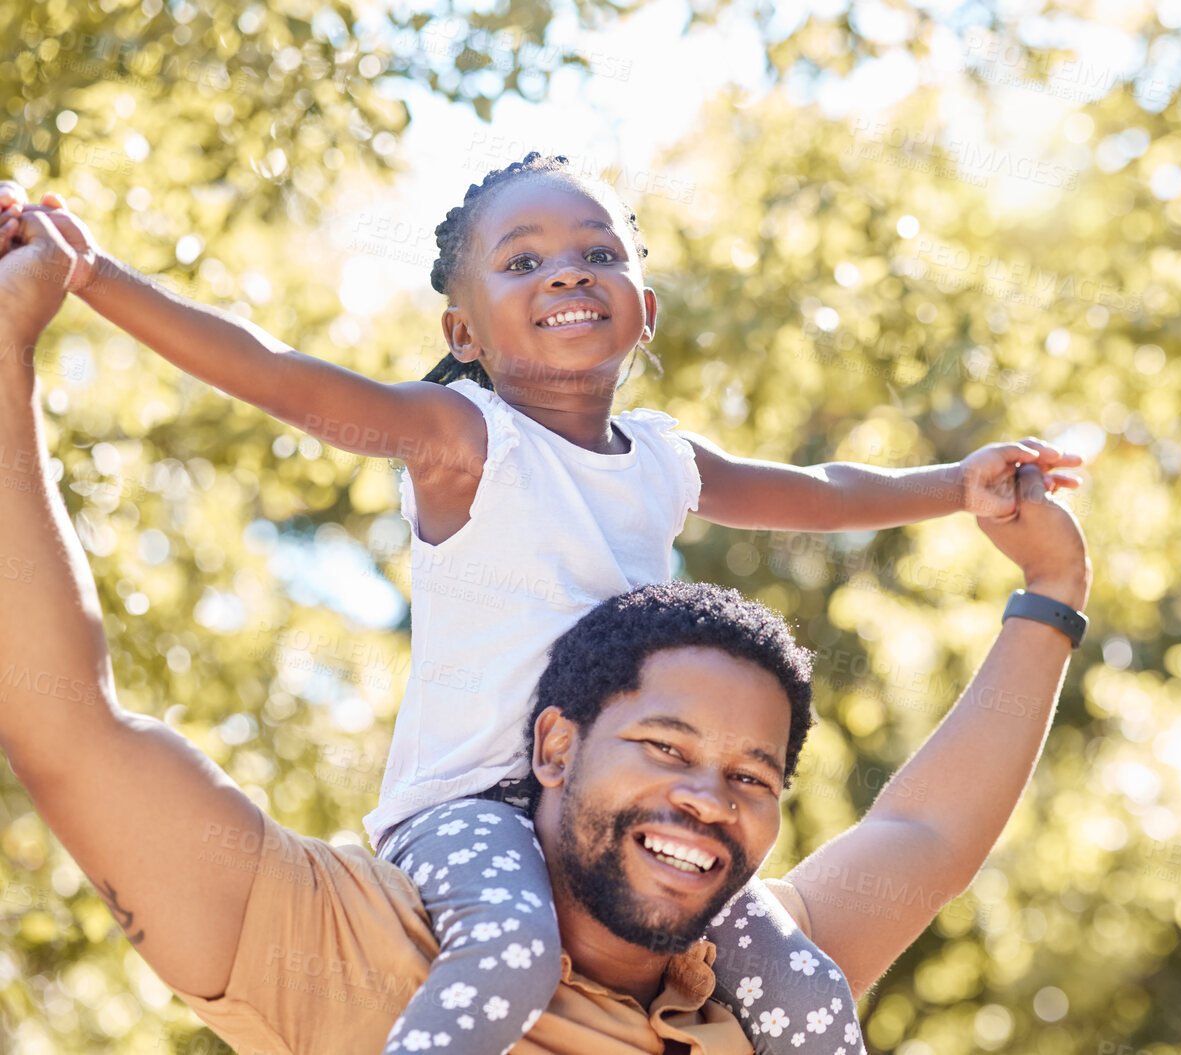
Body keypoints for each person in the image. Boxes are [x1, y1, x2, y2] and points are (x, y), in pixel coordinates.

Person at [0, 152, 1080, 1055]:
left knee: (807, 992)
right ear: (463, 330)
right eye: (522, 261)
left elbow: (818, 493)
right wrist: (91, 277)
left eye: (597, 253)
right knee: (509, 950)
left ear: (644, 310)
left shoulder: (660, 458)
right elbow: (275, 372)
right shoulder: (464, 440)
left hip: (594, 818)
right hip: (468, 806)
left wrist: (955, 490)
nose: (567, 271)